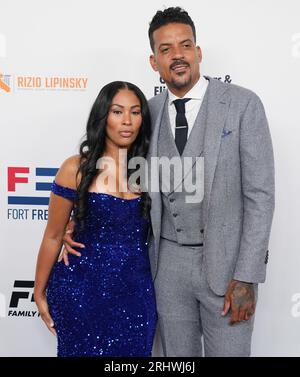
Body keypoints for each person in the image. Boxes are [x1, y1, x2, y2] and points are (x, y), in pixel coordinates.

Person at [62, 7, 275, 357]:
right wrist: (80, 220)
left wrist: (248, 275)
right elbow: (119, 179)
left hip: (228, 272)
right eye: (166, 49)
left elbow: (260, 196)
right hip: (165, 267)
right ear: (154, 61)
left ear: (198, 52)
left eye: (185, 45)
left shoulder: (243, 105)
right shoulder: (146, 112)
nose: (177, 56)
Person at [34, 81, 157, 357]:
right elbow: (53, 235)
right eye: (117, 112)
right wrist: (39, 292)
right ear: (103, 117)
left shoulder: (151, 172)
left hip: (136, 295)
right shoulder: (75, 168)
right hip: (81, 293)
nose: (127, 121)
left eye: (135, 113)